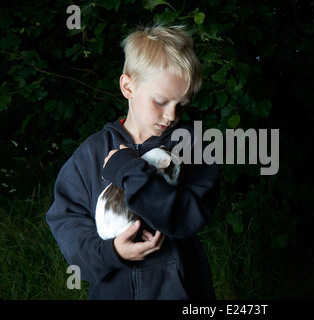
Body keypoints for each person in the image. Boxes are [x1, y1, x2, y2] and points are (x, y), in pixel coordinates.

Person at [46, 24, 220, 300]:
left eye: (182, 105)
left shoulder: (193, 147)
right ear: (128, 86)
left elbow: (187, 216)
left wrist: (127, 168)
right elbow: (66, 219)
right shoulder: (92, 152)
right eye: (160, 101)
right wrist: (109, 253)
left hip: (178, 291)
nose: (171, 115)